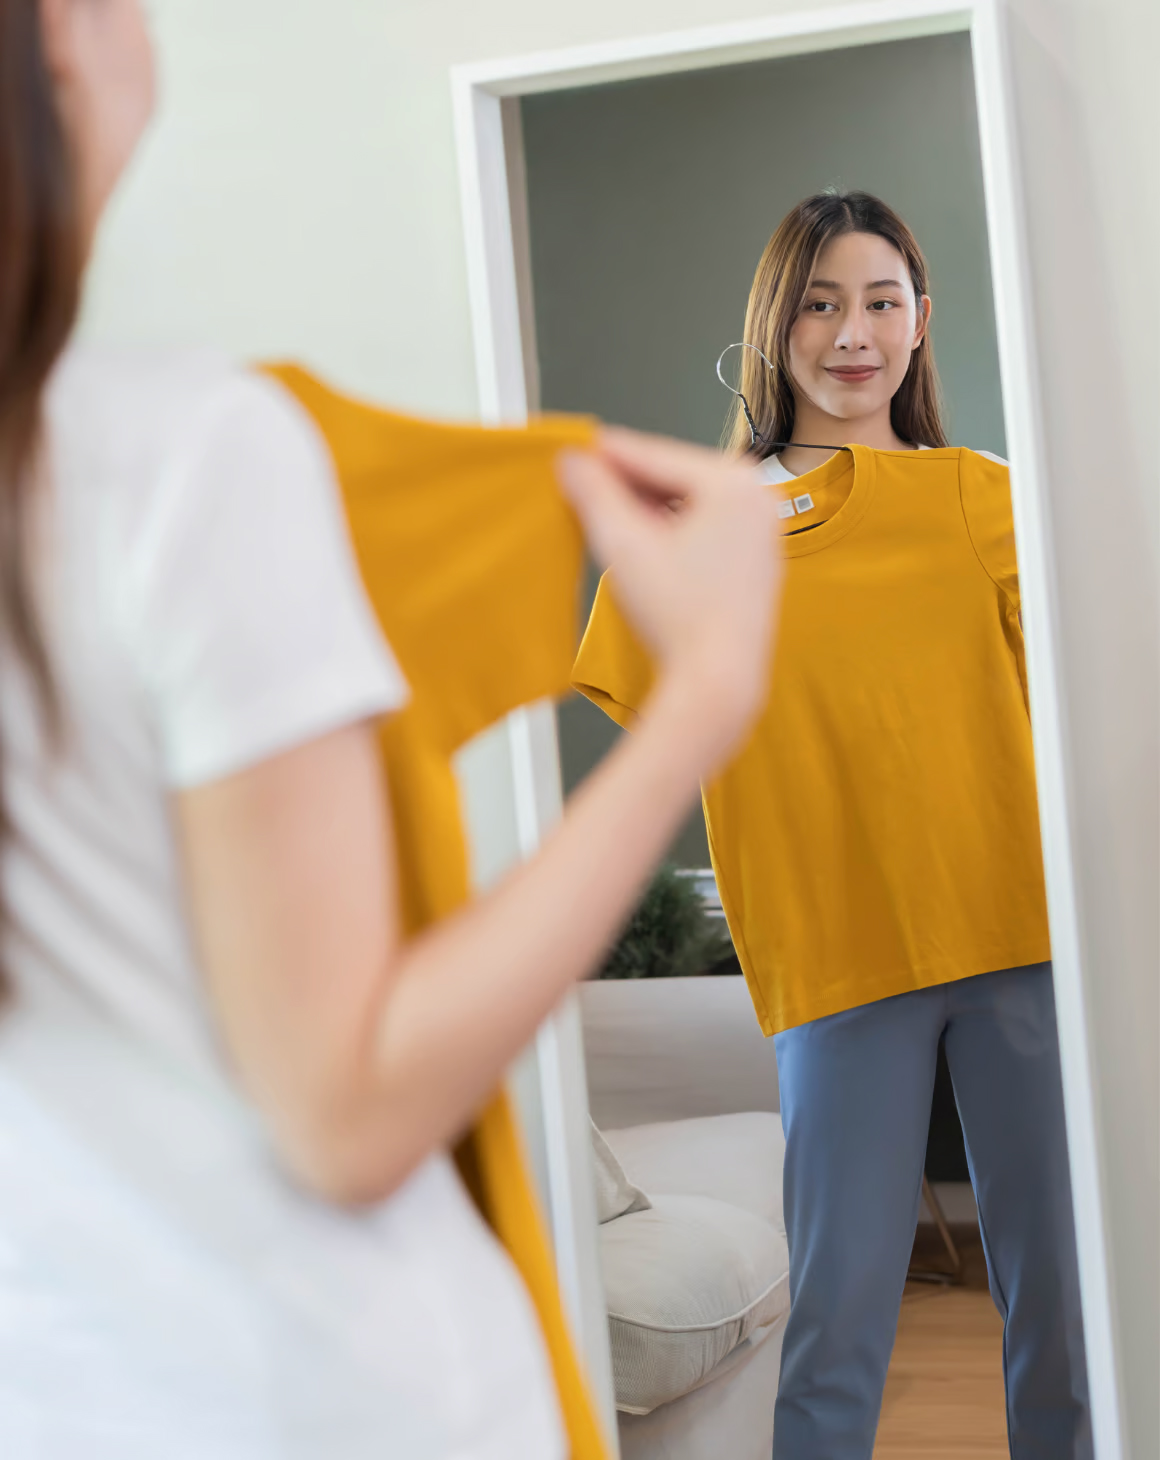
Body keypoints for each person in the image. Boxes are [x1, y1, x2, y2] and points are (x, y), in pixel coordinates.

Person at [0, 3, 783, 1457]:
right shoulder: (189, 457)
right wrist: (702, 705)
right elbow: (348, 1109)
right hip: (327, 1393)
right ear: (50, 47)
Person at [573, 190, 1092, 1459]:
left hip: (1019, 931)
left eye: (877, 299)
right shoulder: (696, 523)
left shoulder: (985, 498)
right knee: (841, 1311)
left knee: (1066, 1303)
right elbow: (649, 725)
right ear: (771, 325)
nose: (849, 331)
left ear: (921, 323)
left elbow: (1087, 712)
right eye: (817, 301)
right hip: (835, 958)